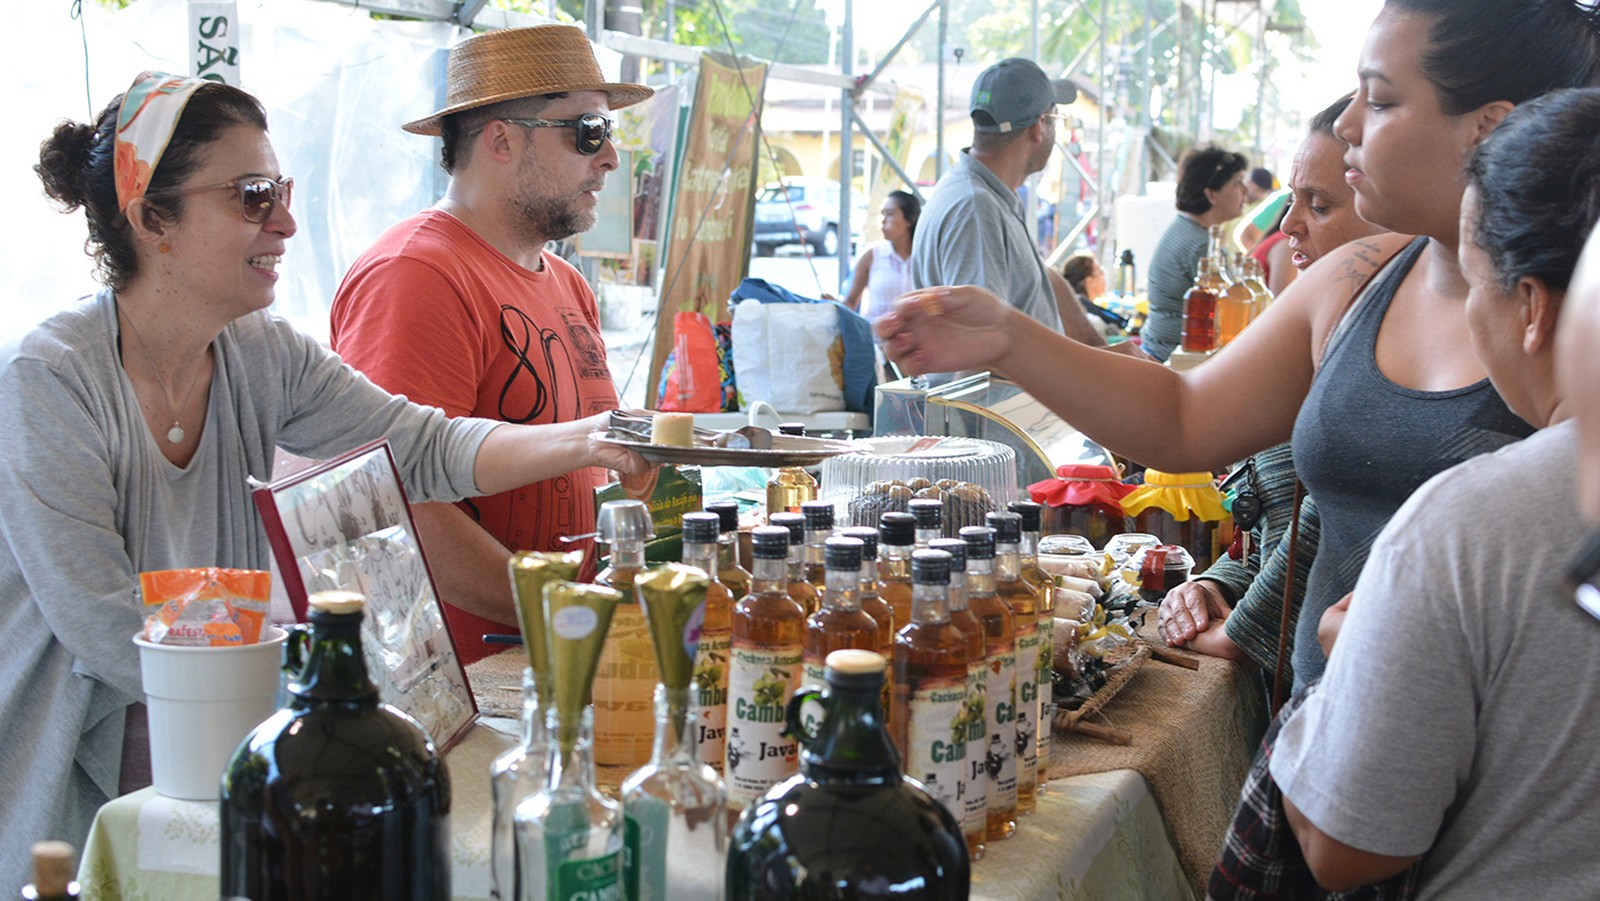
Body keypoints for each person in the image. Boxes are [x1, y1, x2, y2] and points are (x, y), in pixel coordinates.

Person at [0, 71, 649, 887]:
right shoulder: (48, 378)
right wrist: (335, 687)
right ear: (152, 219)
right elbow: (107, 627)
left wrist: (589, 439)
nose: (287, 222)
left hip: (215, 746)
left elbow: (424, 445)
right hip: (72, 772)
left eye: (283, 190)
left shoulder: (261, 351)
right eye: (251, 197)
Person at [880, 0, 1600, 690]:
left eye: (1379, 101)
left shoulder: (1569, 328)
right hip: (1326, 740)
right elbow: (1184, 416)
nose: (1347, 123)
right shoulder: (1361, 278)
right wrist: (1008, 336)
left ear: (1487, 127)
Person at [1270, 86, 1600, 897]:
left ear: (1531, 306)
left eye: (1473, 279)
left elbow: (1346, 848)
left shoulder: (1466, 523)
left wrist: (1349, 669)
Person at [329, 25, 653, 664]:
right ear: (501, 139)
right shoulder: (418, 274)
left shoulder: (565, 282)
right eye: (588, 131)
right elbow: (395, 505)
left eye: (611, 133)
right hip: (469, 678)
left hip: (554, 653)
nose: (611, 157)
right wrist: (572, 617)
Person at [1157, 93, 1390, 679]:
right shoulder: (1332, 329)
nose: (1288, 224)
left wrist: (1243, 630)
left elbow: (1331, 517)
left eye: (1319, 203)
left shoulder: (1388, 347)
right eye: (1292, 201)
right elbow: (1280, 529)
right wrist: (1218, 584)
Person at [909, 57, 1114, 350]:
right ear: (1039, 127)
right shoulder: (976, 209)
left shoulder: (993, 194)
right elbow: (979, 344)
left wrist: (1103, 355)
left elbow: (1040, 280)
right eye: (1056, 120)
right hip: (998, 397)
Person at [1140, 143, 1249, 361]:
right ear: (1211, 195)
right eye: (1237, 183)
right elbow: (1231, 311)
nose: (1245, 191)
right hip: (1174, 359)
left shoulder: (1187, 229)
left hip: (1161, 350)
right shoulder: (1201, 246)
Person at [843, 189, 920, 330]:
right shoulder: (872, 255)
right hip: (874, 344)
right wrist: (833, 307)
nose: (883, 221)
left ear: (910, 218)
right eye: (882, 214)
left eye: (890, 214)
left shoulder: (923, 257)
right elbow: (850, 302)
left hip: (914, 345)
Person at [1061, 252, 1129, 335]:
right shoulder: (1088, 314)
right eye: (1100, 272)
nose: (1103, 275)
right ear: (1089, 281)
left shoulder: (1078, 305)